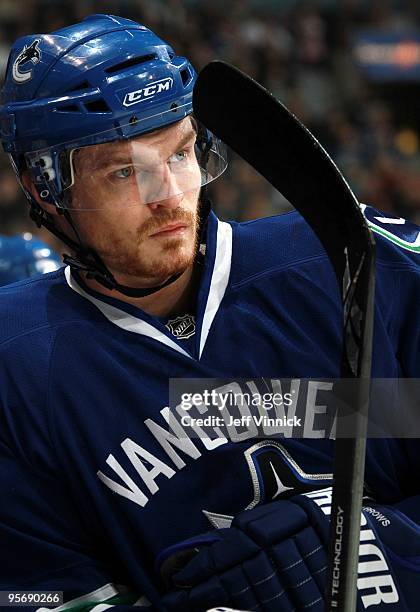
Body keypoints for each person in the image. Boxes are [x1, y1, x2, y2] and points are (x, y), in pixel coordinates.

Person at [0, 13, 419, 612]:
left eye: (181, 153)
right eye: (125, 173)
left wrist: (389, 550)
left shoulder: (346, 256)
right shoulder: (16, 366)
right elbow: (40, 595)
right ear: (45, 189)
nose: (169, 195)